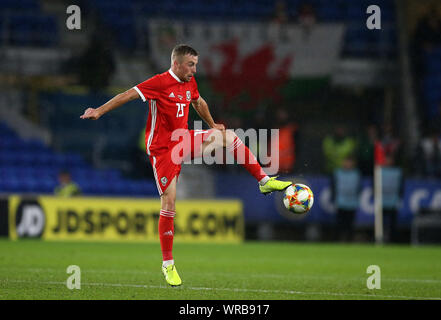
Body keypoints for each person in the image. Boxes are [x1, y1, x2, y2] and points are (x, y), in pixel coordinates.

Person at [80, 44, 292, 286]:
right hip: (162, 151)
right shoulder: (159, 83)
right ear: (176, 64)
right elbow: (126, 95)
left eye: (196, 65)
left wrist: (213, 125)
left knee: (228, 136)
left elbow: (198, 103)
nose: (194, 70)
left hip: (182, 141)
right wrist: (99, 111)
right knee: (169, 203)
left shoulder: (189, 82)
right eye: (191, 65)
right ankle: (168, 264)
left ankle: (264, 181)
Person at [332, 155, 361, 242]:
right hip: (341, 202)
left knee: (350, 224)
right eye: (346, 162)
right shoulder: (337, 173)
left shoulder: (356, 174)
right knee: (339, 223)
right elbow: (333, 186)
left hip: (352, 202)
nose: (347, 164)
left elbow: (359, 188)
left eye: (349, 162)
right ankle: (338, 240)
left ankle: (349, 240)